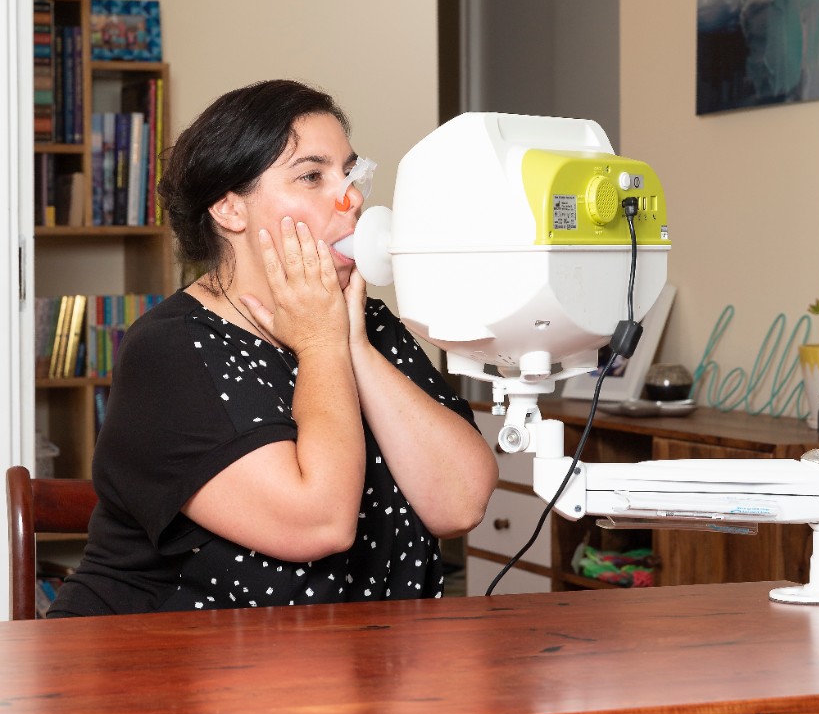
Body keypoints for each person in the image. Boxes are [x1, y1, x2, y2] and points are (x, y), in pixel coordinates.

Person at [48, 80, 498, 616]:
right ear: (229, 209)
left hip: (352, 676)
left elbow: (461, 502)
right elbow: (320, 522)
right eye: (312, 175)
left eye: (348, 173)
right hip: (163, 673)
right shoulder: (169, 350)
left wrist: (352, 343)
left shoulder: (364, 323)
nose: (351, 198)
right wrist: (322, 345)